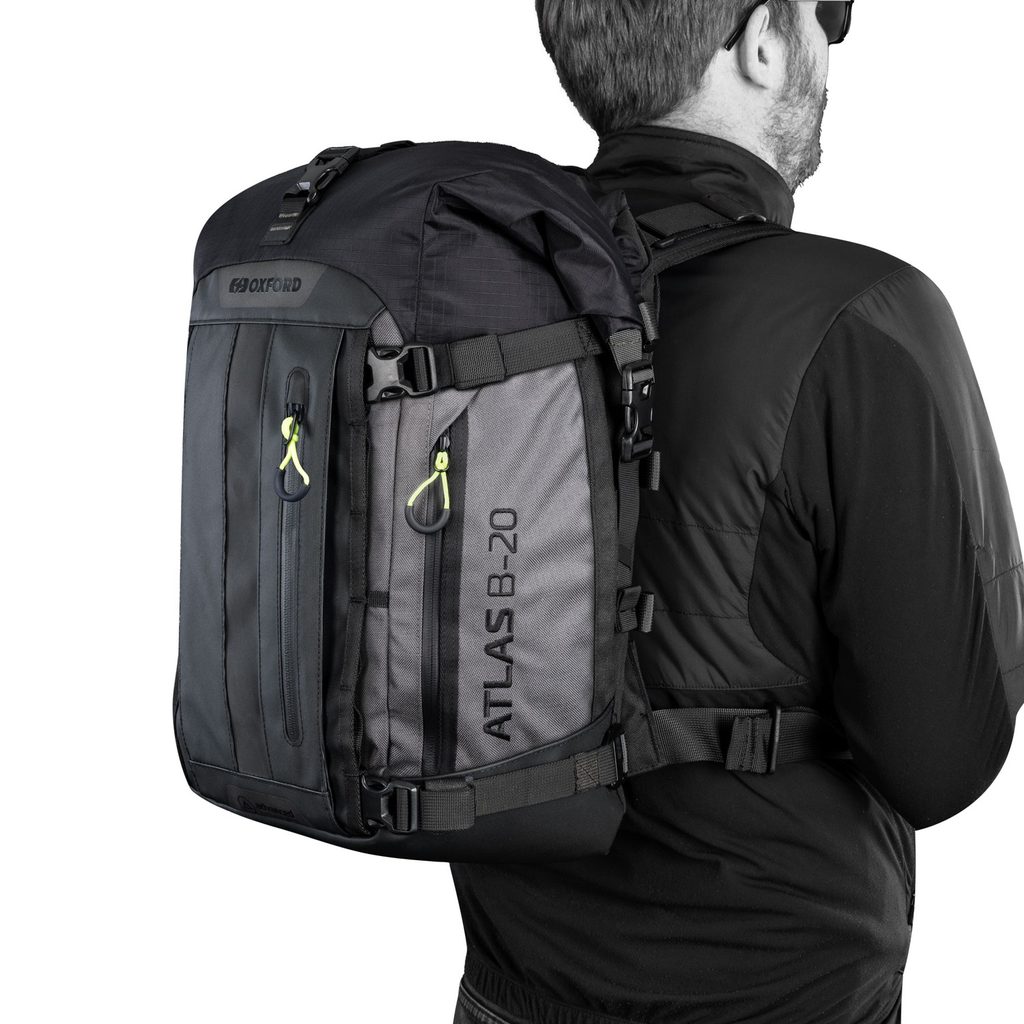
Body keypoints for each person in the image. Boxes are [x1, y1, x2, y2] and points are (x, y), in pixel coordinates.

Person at [450, 3, 1024, 1022]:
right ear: (759, 40)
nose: (826, 44)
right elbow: (943, 760)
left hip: (505, 993)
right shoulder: (863, 317)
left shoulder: (469, 302)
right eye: (819, 14)